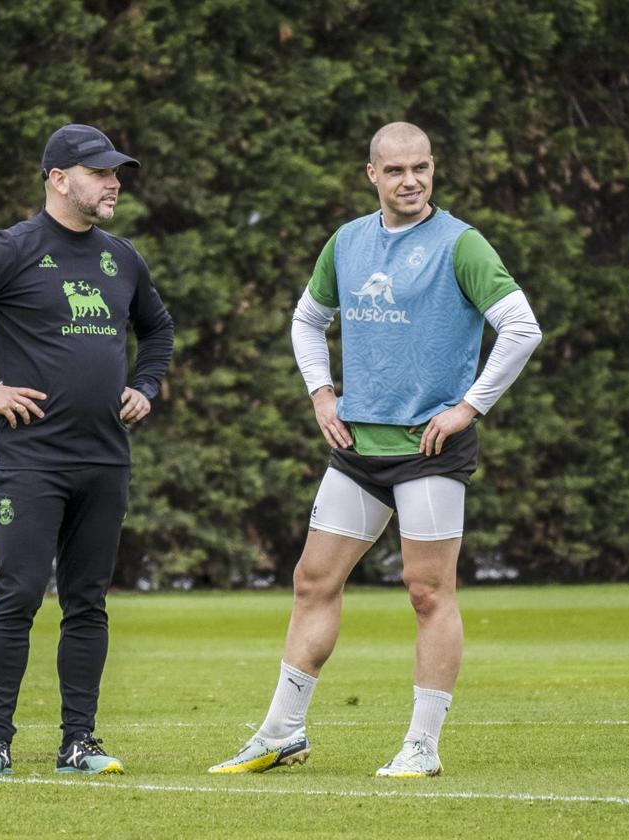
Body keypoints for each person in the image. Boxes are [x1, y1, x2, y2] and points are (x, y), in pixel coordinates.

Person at [208, 121, 542, 778]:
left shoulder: (461, 244)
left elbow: (521, 327)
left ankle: (421, 745)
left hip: (428, 450)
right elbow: (307, 318)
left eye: (421, 168)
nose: (410, 181)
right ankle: (281, 732)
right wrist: (321, 393)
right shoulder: (348, 243)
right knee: (313, 582)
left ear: (434, 169)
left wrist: (469, 407)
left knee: (427, 592)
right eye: (396, 170)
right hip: (358, 448)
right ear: (372, 175)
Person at [0, 124, 174, 777]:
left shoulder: (122, 257)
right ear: (58, 178)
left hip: (106, 459)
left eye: (118, 172)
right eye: (101, 172)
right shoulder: (15, 249)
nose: (115, 182)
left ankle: (78, 742)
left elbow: (158, 327)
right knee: (18, 594)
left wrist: (145, 384)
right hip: (32, 461)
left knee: (87, 600)